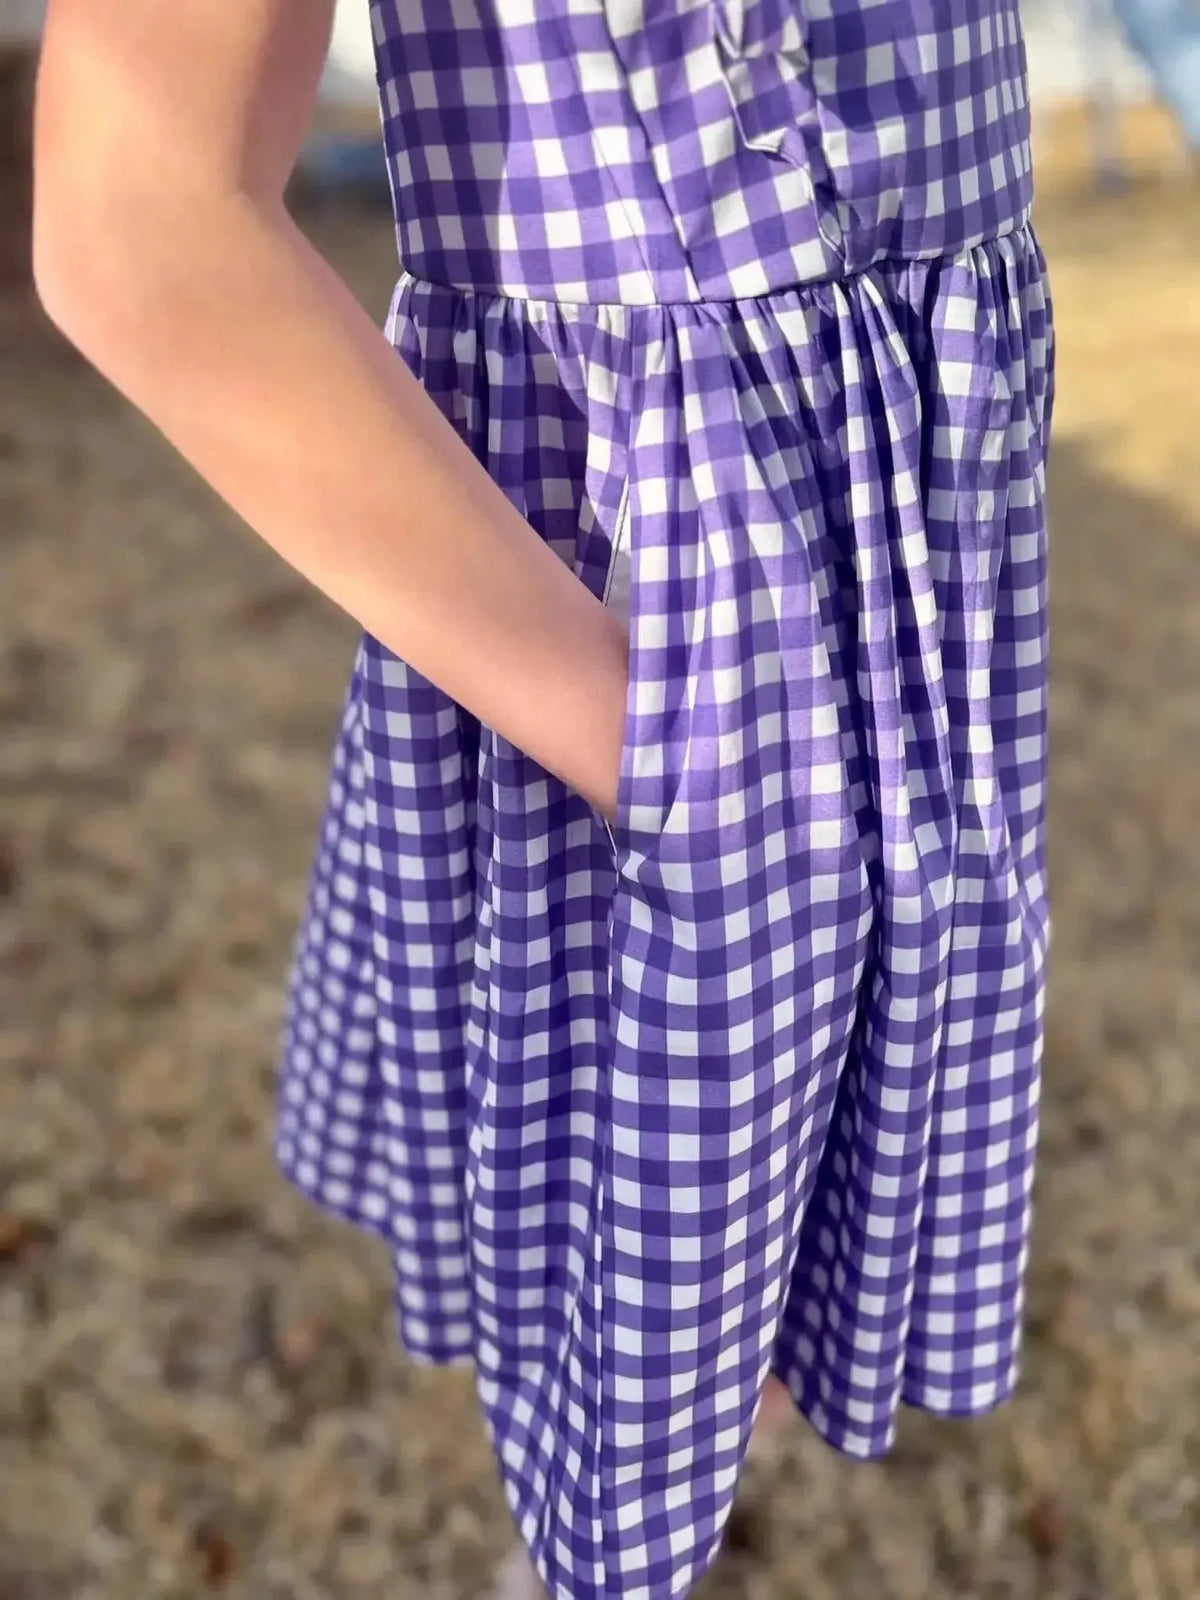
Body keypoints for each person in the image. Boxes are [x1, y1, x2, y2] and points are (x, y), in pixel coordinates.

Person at [32, 3, 1054, 1597]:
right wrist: (651, 743)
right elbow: (135, 215)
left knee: (811, 1156)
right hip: (644, 579)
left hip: (928, 488)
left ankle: (738, 1432)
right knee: (643, 1223)